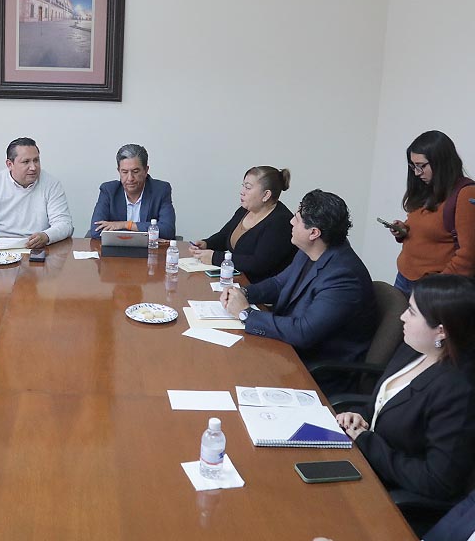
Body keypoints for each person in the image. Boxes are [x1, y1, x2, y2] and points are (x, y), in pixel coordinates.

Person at [336, 274, 475, 504]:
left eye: (411, 312)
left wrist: (366, 441)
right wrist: (358, 416)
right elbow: (382, 405)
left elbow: (437, 481)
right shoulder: (415, 348)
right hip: (359, 460)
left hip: (383, 490)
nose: (402, 317)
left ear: (441, 331)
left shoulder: (458, 391)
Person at [220, 190, 377, 390]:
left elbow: (304, 332)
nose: (291, 222)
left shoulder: (344, 276)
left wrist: (246, 313)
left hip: (314, 371)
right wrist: (244, 293)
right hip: (287, 350)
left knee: (231, 374)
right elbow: (278, 283)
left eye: (297, 218)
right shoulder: (312, 250)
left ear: (314, 233)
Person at [387, 131, 475, 297]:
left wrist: (436, 289)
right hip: (404, 277)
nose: (417, 173)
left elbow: (468, 256)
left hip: (432, 287)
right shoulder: (427, 187)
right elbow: (428, 228)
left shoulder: (466, 194)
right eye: (413, 166)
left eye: (422, 166)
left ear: (442, 162)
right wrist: (404, 230)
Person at [190, 166, 297, 284]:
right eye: (243, 186)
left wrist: (215, 258)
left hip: (259, 288)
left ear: (266, 195)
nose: (242, 192)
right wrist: (206, 244)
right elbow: (224, 236)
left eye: (248, 187)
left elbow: (259, 263)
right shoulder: (245, 210)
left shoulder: (281, 222)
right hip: (235, 279)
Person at [0, 137, 73, 249]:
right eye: (26, 162)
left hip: (37, 248)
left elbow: (64, 224)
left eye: (36, 160)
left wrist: (46, 236)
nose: (33, 167)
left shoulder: (51, 184)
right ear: (10, 164)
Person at [87, 143, 176, 239]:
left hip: (149, 248)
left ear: (146, 170)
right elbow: (96, 230)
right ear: (119, 171)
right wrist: (142, 230)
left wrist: (126, 225)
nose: (130, 178)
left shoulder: (161, 190)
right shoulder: (109, 191)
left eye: (135, 171)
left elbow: (167, 230)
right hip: (116, 247)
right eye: (124, 172)